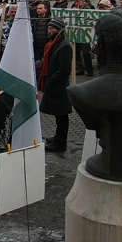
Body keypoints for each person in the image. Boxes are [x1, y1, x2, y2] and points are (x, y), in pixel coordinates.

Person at [39, 18, 73, 152]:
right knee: (58, 115)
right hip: (53, 84)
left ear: (58, 30)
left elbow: (65, 69)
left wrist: (52, 79)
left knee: (62, 115)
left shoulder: (64, 46)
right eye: (48, 28)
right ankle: (57, 137)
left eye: (51, 29)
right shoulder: (52, 44)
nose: (49, 31)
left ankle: (60, 143)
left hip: (59, 86)